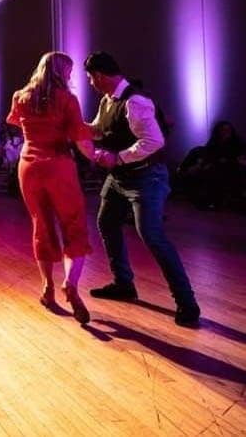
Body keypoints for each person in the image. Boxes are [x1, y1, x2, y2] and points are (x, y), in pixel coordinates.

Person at [85, 51, 201, 327]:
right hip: (120, 178)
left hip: (147, 178)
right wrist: (74, 126)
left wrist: (117, 157)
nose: (90, 83)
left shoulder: (135, 101)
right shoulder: (108, 100)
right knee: (107, 222)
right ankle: (123, 284)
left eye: (90, 77)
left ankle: (187, 304)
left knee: (152, 236)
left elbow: (154, 141)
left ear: (99, 75)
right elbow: (100, 130)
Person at [6, 52, 94, 324]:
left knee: (41, 225)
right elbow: (79, 138)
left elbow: (15, 122)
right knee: (73, 224)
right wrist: (99, 157)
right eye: (69, 72)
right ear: (62, 72)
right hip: (59, 165)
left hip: (29, 166)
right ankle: (71, 284)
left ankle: (47, 287)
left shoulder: (20, 96)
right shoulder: (67, 99)